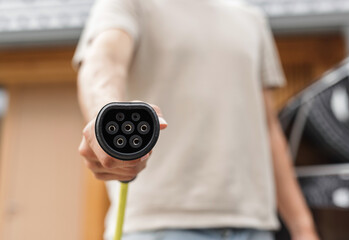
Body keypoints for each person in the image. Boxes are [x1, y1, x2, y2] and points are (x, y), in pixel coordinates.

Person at [73, 0, 320, 239]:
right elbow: (104, 62)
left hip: (254, 226)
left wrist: (303, 228)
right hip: (160, 227)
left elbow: (267, 127)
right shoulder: (129, 4)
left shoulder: (251, 18)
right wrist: (106, 122)